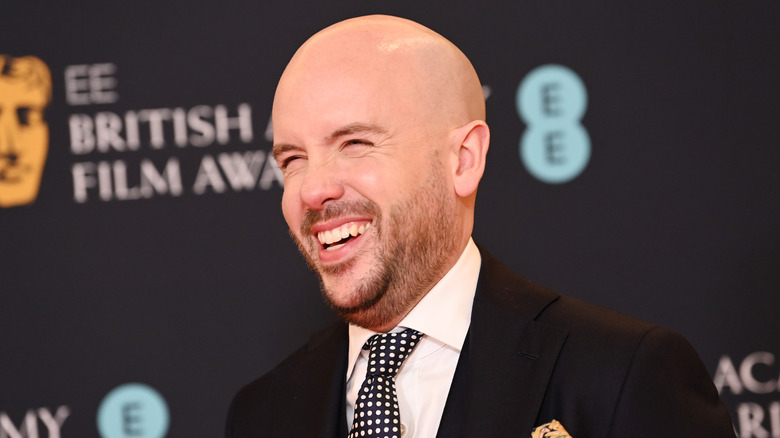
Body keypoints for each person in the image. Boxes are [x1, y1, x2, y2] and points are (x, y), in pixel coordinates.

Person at [226, 15, 735, 438]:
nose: (312, 190)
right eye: (292, 159)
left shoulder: (621, 376)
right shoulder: (261, 415)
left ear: (463, 160)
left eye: (355, 144)